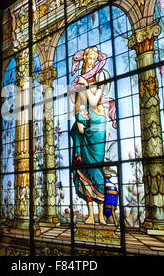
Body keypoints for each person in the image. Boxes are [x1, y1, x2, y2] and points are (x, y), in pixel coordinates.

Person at [70, 46, 116, 225]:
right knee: (84, 169)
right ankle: (90, 214)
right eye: (87, 57)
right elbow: (79, 103)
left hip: (97, 124)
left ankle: (101, 214)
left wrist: (85, 85)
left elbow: (96, 99)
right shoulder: (81, 78)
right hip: (84, 123)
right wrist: (79, 119)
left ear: (97, 58)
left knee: (96, 166)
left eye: (92, 57)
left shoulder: (101, 74)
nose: (89, 60)